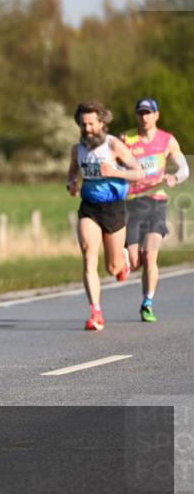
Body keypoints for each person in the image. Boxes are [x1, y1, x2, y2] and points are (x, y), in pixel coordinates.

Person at [66, 101, 144, 331]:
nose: (87, 128)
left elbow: (138, 172)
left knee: (112, 268)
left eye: (91, 124)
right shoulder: (77, 149)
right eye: (83, 124)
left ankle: (123, 261)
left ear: (101, 123)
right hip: (89, 207)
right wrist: (71, 183)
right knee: (89, 255)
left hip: (113, 208)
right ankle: (96, 313)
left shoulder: (113, 145)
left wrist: (114, 171)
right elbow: (72, 171)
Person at [122, 97, 189, 322]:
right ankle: (123, 259)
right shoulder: (126, 139)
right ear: (136, 116)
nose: (144, 117)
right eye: (140, 113)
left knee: (150, 257)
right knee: (134, 262)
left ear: (156, 115)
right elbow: (114, 164)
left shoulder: (167, 140)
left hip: (155, 201)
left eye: (148, 113)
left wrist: (174, 178)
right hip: (131, 203)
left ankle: (147, 303)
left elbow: (184, 168)